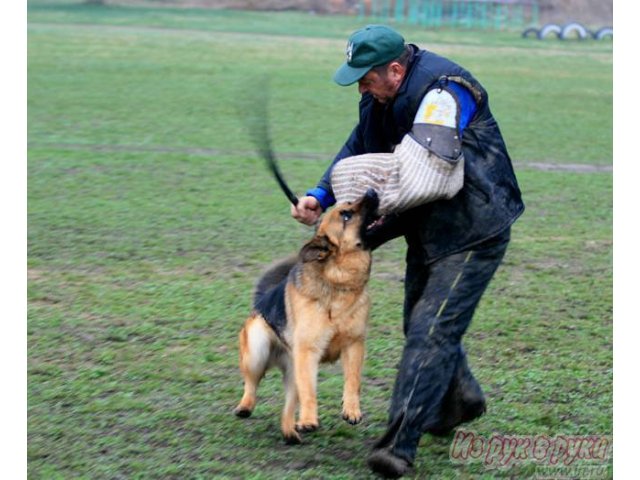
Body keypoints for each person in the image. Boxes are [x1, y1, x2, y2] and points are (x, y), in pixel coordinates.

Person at [291, 25, 524, 478]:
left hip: (474, 228)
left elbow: (425, 170)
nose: (360, 86)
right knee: (419, 322)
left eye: (366, 77)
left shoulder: (447, 92)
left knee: (430, 330)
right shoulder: (379, 96)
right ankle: (461, 398)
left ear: (395, 70)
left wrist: (366, 216)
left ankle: (399, 445)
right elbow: (361, 144)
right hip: (429, 228)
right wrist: (321, 195)